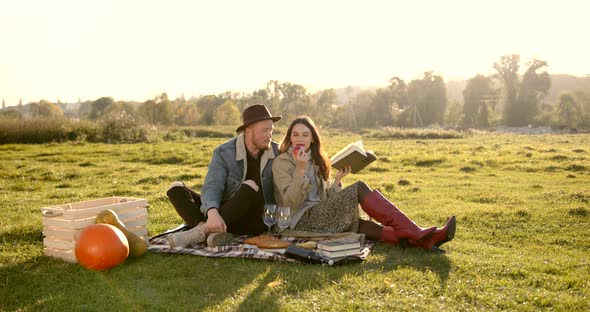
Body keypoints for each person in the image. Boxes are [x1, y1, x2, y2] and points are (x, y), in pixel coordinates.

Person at [272, 116, 456, 251]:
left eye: (305, 135)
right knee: (359, 187)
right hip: (299, 222)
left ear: (312, 139)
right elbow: (290, 203)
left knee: (359, 225)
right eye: (295, 135)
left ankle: (425, 241)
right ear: (290, 138)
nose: (300, 139)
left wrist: (337, 181)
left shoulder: (316, 160)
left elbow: (323, 198)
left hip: (319, 215)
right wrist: (300, 171)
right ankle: (416, 232)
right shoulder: (282, 162)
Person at [166, 104, 281, 248]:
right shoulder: (224, 152)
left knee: (250, 185)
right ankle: (211, 231)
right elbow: (212, 185)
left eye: (271, 130)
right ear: (248, 130)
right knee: (176, 188)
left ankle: (202, 231)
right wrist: (212, 212)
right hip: (225, 213)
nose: (270, 135)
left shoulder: (277, 152)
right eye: (265, 130)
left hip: (255, 220)